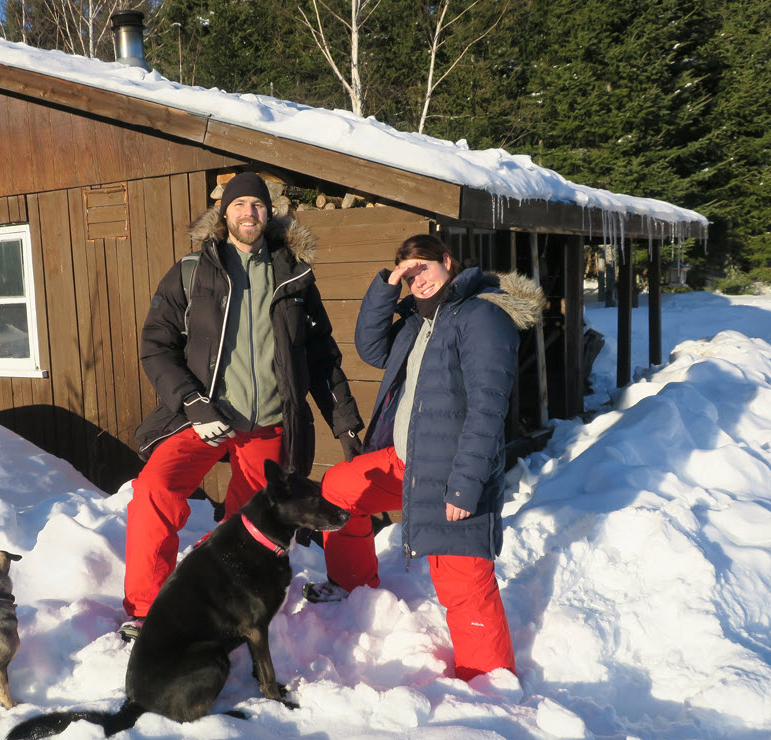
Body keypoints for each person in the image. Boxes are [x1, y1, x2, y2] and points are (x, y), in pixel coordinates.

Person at [120, 171, 364, 640]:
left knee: (249, 522)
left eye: (257, 205)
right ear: (224, 214)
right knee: (154, 490)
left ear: (268, 214)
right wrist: (193, 403)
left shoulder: (293, 275)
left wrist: (346, 424)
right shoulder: (193, 271)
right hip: (204, 416)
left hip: (270, 422)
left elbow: (320, 356)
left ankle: (219, 601)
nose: (248, 213)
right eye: (239, 205)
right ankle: (147, 611)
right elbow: (156, 346)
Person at [303, 234, 543, 680]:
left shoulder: (482, 316)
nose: (418, 279)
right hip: (402, 462)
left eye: (424, 268)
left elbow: (488, 408)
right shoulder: (419, 322)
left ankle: (489, 682)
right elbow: (372, 349)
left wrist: (466, 484)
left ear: (447, 262)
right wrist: (385, 286)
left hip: (452, 471)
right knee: (338, 489)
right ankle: (354, 589)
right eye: (409, 273)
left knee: (462, 579)